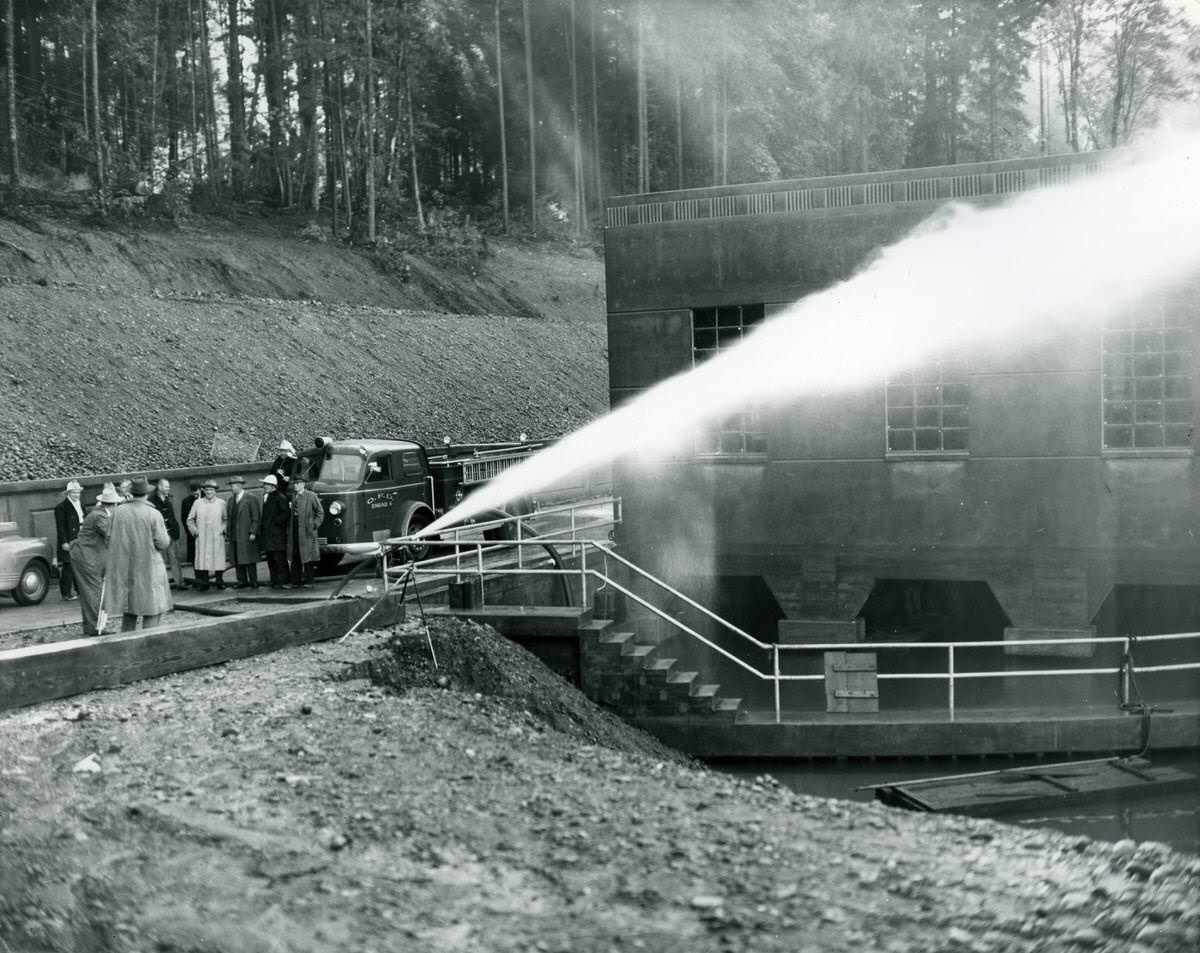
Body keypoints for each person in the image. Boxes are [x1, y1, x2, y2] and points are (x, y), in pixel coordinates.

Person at [102, 478, 173, 631]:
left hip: (125, 568)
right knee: (152, 609)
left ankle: (127, 645)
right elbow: (163, 542)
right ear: (147, 494)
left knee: (129, 609)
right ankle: (148, 647)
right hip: (149, 567)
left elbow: (108, 539)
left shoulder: (117, 512)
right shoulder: (153, 514)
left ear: (131, 493)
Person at [69, 485, 122, 635]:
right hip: (87, 558)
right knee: (94, 592)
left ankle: (91, 626)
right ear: (113, 505)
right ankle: (96, 628)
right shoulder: (100, 516)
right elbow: (112, 536)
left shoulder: (99, 513)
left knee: (90, 592)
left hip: (87, 557)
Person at [187, 479, 228, 590]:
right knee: (203, 558)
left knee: (218, 558)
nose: (209, 492)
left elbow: (225, 519)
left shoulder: (221, 503)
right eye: (207, 490)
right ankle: (205, 582)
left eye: (211, 489)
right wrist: (194, 531)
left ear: (215, 491)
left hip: (216, 535)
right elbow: (190, 519)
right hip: (203, 535)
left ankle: (219, 581)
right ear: (203, 491)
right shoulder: (197, 503)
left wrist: (223, 530)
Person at [147, 477, 186, 589]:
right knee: (160, 561)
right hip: (159, 535)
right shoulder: (151, 500)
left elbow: (172, 516)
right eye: (166, 486)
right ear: (159, 487)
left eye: (168, 486)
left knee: (175, 559)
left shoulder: (169, 499)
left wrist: (175, 530)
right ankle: (161, 585)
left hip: (171, 534)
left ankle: (179, 582)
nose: (168, 488)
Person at [225, 475, 262, 589]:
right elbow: (230, 518)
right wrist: (228, 533)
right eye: (231, 486)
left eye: (234, 486)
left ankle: (253, 581)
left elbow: (256, 517)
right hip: (235, 535)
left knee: (249, 558)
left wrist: (253, 532)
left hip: (246, 534)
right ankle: (242, 581)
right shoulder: (231, 500)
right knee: (237, 558)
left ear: (240, 486)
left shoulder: (251, 498)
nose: (232, 488)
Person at [286, 475, 323, 587]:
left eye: (297, 483)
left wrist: (314, 525)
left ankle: (309, 580)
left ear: (303, 484)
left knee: (308, 554)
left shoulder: (311, 496)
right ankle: (295, 581)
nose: (295, 485)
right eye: (294, 483)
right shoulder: (294, 496)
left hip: (307, 530)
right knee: (295, 553)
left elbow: (320, 512)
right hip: (295, 528)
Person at [53, 479, 85, 600]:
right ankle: (65, 592)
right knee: (69, 566)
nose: (76, 495)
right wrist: (64, 542)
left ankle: (79, 589)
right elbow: (60, 527)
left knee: (80, 565)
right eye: (74, 493)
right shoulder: (61, 508)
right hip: (70, 538)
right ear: (68, 493)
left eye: (78, 492)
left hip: (80, 537)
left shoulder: (80, 505)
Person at [258, 474, 290, 588]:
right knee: (271, 558)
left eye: (266, 484)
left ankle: (283, 580)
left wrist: (275, 522)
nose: (264, 486)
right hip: (268, 534)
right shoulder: (266, 496)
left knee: (279, 559)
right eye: (264, 484)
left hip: (276, 534)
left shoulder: (280, 497)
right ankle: (274, 580)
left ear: (273, 486)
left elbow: (286, 513)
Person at [180, 481, 202, 565]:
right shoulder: (186, 501)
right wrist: (190, 531)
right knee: (194, 557)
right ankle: (197, 576)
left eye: (196, 492)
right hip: (193, 533)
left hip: (205, 531)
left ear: (200, 490)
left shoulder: (207, 498)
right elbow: (184, 518)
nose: (195, 495)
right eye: (193, 492)